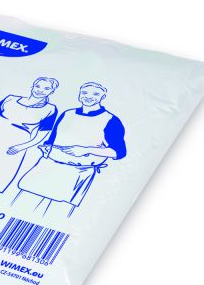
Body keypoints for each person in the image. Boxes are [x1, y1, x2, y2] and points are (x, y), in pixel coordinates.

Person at [16, 81, 126, 215]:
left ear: (102, 97)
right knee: (21, 205)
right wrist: (46, 149)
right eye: (84, 93)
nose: (88, 97)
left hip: (76, 174)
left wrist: (85, 150)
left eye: (95, 94)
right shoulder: (68, 114)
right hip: (46, 167)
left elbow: (119, 152)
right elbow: (52, 138)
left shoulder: (111, 120)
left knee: (56, 214)